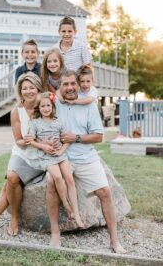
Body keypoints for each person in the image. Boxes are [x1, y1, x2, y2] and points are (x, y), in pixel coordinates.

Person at [46, 70, 126, 254]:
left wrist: (76, 138)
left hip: (85, 156)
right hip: (60, 157)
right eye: (65, 84)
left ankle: (114, 240)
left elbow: (99, 137)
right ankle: (55, 233)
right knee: (51, 182)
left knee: (105, 192)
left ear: (79, 84)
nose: (70, 87)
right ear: (60, 87)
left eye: (73, 83)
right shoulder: (54, 103)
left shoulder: (88, 104)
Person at [0, 73, 45, 236]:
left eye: (31, 87)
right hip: (23, 153)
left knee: (7, 187)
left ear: (38, 88)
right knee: (12, 178)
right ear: (20, 91)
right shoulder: (16, 111)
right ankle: (13, 217)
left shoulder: (46, 105)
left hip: (41, 156)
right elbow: (18, 140)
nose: (28, 91)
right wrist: (26, 141)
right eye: (24, 88)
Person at [29, 92, 84, 229]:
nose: (46, 108)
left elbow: (66, 141)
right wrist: (44, 146)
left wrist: (60, 151)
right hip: (46, 157)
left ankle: (76, 214)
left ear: (52, 107)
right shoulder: (35, 123)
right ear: (39, 108)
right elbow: (31, 141)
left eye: (48, 105)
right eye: (43, 106)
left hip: (60, 155)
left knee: (69, 179)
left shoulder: (59, 122)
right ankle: (67, 206)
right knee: (58, 177)